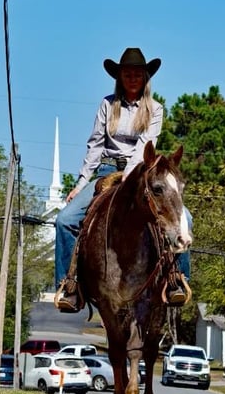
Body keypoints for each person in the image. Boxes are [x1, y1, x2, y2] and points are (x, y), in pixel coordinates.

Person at [54, 47, 191, 313]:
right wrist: (81, 184)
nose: (132, 78)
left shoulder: (155, 109)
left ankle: (177, 280)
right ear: (119, 77)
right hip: (106, 170)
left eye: (137, 74)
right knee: (65, 220)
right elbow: (95, 145)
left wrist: (130, 179)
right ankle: (69, 285)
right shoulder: (107, 105)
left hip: (140, 173)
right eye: (127, 74)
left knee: (186, 218)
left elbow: (144, 145)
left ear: (145, 78)